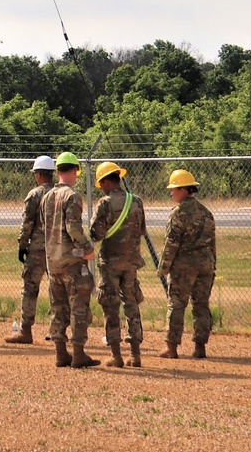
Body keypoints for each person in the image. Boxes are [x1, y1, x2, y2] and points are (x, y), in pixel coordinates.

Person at [42, 151, 98, 369]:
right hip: (71, 262)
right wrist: (87, 248)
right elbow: (72, 227)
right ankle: (78, 353)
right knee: (78, 307)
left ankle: (60, 353)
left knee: (57, 308)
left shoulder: (47, 196)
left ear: (57, 172)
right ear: (75, 171)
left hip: (52, 262)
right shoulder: (72, 196)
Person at [89, 161, 146, 368]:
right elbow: (141, 230)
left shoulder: (104, 204)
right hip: (131, 261)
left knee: (110, 305)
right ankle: (135, 354)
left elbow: (96, 234)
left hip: (110, 263)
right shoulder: (136, 201)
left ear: (105, 181)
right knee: (131, 304)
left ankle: (116, 354)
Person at [157, 169, 216, 360]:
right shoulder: (206, 212)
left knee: (176, 304)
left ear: (183, 190)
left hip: (184, 266)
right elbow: (212, 242)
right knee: (201, 305)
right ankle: (200, 347)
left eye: (173, 189)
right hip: (206, 264)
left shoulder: (178, 213)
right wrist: (212, 265)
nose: (171, 192)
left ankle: (171, 347)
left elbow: (171, 244)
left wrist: (163, 268)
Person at [6, 155, 56, 344]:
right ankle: (56, 330)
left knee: (29, 288)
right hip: (57, 249)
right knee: (57, 289)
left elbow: (27, 222)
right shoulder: (61, 193)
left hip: (36, 249)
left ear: (38, 175)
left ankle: (25, 330)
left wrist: (22, 245)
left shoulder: (35, 194)